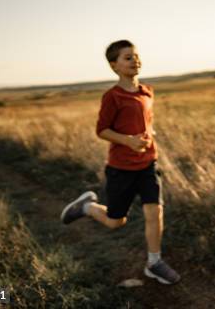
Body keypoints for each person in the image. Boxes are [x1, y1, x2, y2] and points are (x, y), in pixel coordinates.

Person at [60, 40, 180, 285]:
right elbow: (102, 130)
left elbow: (146, 120)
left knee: (154, 212)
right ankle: (87, 207)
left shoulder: (147, 91)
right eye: (127, 57)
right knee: (116, 221)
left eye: (136, 56)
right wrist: (128, 141)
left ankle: (154, 263)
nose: (134, 60)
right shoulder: (112, 96)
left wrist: (148, 135)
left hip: (148, 163)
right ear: (114, 66)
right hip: (121, 169)